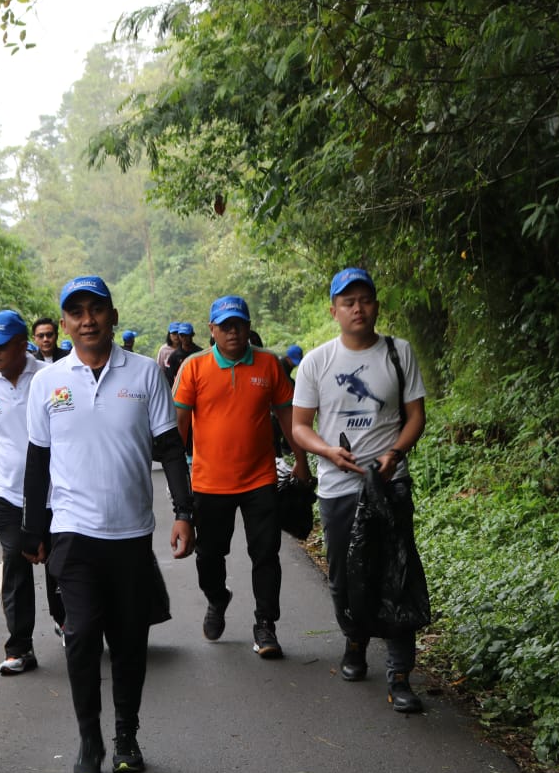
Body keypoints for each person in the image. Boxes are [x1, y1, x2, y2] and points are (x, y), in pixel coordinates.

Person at [22, 275, 195, 773]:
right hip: (73, 532)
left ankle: (126, 735)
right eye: (76, 312)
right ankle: (88, 738)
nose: (87, 319)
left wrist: (184, 512)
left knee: (128, 640)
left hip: (131, 533)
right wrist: (34, 527)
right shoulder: (47, 382)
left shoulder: (144, 374)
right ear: (64, 323)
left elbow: (169, 448)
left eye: (96, 309)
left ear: (113, 316)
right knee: (79, 638)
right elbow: (38, 459)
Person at [290, 268, 428, 712]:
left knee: (397, 573)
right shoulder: (316, 361)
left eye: (365, 299)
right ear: (334, 311)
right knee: (344, 575)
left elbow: (415, 416)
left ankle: (400, 675)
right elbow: (298, 426)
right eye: (347, 302)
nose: (357, 308)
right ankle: (354, 639)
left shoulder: (398, 352)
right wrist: (328, 453)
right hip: (337, 487)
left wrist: (396, 453)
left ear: (376, 305)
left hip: (389, 484)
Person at [173, 295, 311, 659]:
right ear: (212, 330)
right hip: (209, 482)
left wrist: (302, 463)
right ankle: (218, 598)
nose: (233, 332)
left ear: (249, 328)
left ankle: (266, 624)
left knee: (266, 554)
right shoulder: (193, 367)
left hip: (259, 479)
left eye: (239, 324)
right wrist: (178, 485)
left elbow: (287, 417)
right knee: (209, 556)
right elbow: (179, 429)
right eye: (226, 326)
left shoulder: (268, 365)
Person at [0, 309, 65, 675]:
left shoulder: (49, 378)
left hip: (55, 492)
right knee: (15, 561)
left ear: (20, 344)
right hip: (7, 493)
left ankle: (67, 622)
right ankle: (20, 647)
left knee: (59, 564)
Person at [161, 322, 201, 386]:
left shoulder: (200, 353)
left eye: (187, 335)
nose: (184, 338)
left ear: (192, 335)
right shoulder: (174, 356)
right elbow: (169, 377)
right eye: (182, 335)